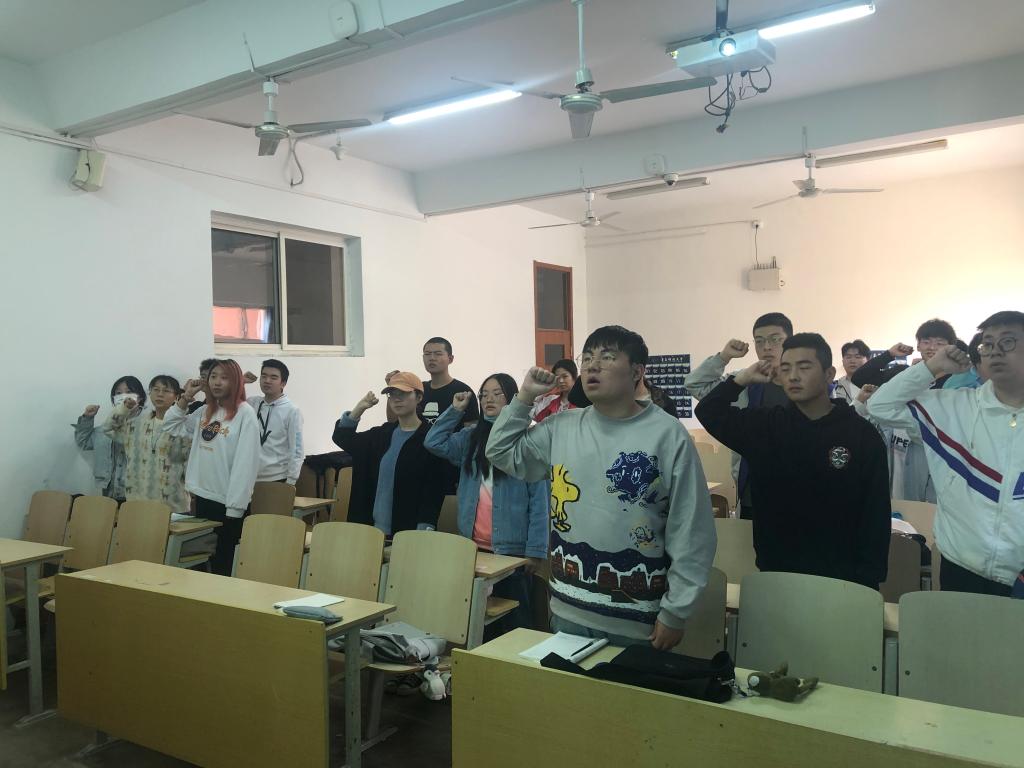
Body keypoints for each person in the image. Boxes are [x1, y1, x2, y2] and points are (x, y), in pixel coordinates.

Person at [487, 325, 716, 650]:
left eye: (607, 357)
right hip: (568, 612)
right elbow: (500, 452)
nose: (593, 365)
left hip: (639, 622)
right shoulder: (562, 428)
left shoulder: (668, 435)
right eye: (588, 358)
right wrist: (524, 397)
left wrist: (676, 611)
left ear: (636, 372)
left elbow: (693, 531)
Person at [695, 333, 891, 589]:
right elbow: (708, 411)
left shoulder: (860, 434)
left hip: (844, 577)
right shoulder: (765, 426)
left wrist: (868, 580)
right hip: (777, 571)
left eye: (804, 367)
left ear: (829, 374)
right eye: (785, 369)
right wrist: (742, 379)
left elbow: (876, 512)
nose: (793, 376)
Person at [867, 311, 1024, 597]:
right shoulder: (952, 408)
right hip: (961, 567)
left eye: (1008, 341)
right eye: (988, 344)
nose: (995, 351)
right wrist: (932, 366)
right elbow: (880, 406)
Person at [425, 373, 549, 634]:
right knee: (478, 621)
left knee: (517, 622)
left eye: (497, 393)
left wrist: (535, 550)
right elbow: (433, 442)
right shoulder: (471, 437)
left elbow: (540, 501)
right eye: (484, 394)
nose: (488, 399)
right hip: (474, 548)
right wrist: (455, 410)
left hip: (512, 551)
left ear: (513, 398)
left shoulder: (527, 438)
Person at [684, 312, 794, 520]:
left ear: (790, 342)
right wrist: (724, 357)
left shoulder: (804, 383)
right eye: (759, 341)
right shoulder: (744, 380)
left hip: (798, 489)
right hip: (753, 490)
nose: (766, 347)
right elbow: (694, 384)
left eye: (775, 339)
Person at [162, 360, 261, 576]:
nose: (216, 382)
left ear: (236, 381)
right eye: (213, 376)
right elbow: (171, 426)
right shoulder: (205, 411)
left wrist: (235, 509)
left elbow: (246, 465)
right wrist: (185, 398)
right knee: (204, 562)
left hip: (228, 503)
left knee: (224, 564)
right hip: (203, 497)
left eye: (224, 378)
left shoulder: (245, 414)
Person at [852, 319, 959, 503]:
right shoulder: (906, 377)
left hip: (938, 461)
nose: (932, 347)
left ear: (951, 347)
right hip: (901, 455)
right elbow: (860, 377)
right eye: (926, 342)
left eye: (940, 343)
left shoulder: (956, 383)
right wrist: (890, 354)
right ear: (918, 345)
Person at [332, 372, 446, 536]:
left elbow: (433, 489)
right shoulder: (381, 434)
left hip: (408, 533)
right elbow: (342, 437)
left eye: (403, 393)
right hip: (370, 531)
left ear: (419, 397)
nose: (397, 399)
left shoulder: (430, 439)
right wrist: (360, 407)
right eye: (392, 394)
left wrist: (424, 529)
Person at [104, 375, 191, 513]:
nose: (160, 394)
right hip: (137, 502)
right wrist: (123, 409)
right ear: (150, 393)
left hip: (173, 505)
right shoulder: (135, 425)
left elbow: (190, 466)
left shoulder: (185, 427)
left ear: (176, 397)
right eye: (156, 389)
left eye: (166, 390)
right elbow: (108, 429)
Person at [75, 375, 147, 501]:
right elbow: (83, 442)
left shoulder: (147, 427)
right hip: (108, 492)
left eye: (129, 392)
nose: (123, 396)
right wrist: (87, 418)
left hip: (137, 493)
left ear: (139, 398)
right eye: (118, 393)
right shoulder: (106, 428)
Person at [246, 359, 304, 486]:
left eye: (273, 377)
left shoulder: (292, 411)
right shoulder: (251, 403)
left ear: (283, 383)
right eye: (264, 376)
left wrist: (290, 482)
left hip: (276, 479)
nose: (267, 380)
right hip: (248, 477)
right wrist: (241, 382)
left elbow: (297, 451)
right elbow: (227, 408)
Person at [834, 339, 870, 405]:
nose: (852, 361)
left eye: (857, 357)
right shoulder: (835, 387)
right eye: (848, 357)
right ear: (843, 361)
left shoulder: (876, 385)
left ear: (868, 360)